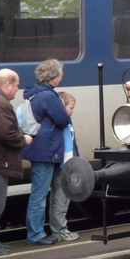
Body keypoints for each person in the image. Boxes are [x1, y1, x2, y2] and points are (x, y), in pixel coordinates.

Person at [21, 59, 71, 245]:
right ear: (54, 76)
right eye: (60, 73)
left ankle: (40, 232)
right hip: (46, 151)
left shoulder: (35, 93)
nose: (62, 76)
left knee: (40, 194)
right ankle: (36, 234)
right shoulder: (48, 96)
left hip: (42, 150)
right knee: (39, 195)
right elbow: (63, 119)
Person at [0, 69, 32, 256]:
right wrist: (23, 140)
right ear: (7, 85)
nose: (18, 88)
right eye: (16, 84)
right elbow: (6, 133)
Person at [47, 91, 79, 242]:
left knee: (57, 199)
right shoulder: (62, 124)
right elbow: (66, 148)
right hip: (62, 167)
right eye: (71, 107)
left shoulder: (66, 122)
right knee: (61, 200)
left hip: (65, 166)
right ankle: (59, 230)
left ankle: (57, 229)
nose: (73, 111)